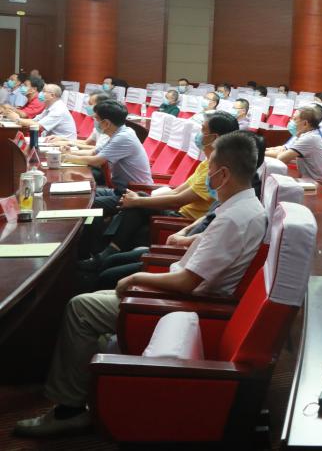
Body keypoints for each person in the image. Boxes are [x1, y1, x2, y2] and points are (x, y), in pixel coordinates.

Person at [15, 130, 266, 438]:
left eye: (210, 167)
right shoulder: (245, 208)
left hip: (185, 304)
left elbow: (187, 281)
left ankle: (69, 409)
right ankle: (88, 384)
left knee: (81, 308)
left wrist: (136, 278)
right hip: (181, 294)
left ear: (223, 174)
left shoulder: (232, 219)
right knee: (94, 296)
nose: (207, 174)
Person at [79, 112, 238, 270]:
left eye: (202, 130)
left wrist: (139, 201)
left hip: (183, 219)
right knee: (135, 204)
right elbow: (176, 192)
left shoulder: (216, 171)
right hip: (175, 211)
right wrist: (143, 200)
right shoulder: (206, 163)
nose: (198, 134)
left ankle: (107, 250)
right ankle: (108, 250)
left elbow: (178, 200)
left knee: (132, 204)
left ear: (214, 137)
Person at [62, 101, 152, 214]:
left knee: (82, 203)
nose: (94, 122)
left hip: (134, 194)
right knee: (77, 194)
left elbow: (97, 161)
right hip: (120, 191)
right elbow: (93, 152)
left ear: (106, 123)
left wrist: (67, 158)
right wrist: (69, 153)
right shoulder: (119, 132)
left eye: (96, 119)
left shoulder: (123, 137)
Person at [273, 106, 322, 182]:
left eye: (294, 119)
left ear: (305, 123)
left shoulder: (309, 139)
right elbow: (285, 153)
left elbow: (281, 158)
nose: (290, 121)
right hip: (313, 181)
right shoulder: (305, 136)